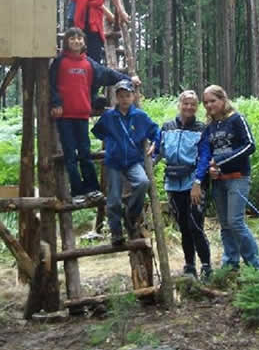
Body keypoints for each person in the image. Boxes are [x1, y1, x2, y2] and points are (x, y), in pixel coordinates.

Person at [50, 27, 141, 206]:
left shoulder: (89, 64)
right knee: (69, 154)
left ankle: (92, 189)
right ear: (66, 42)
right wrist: (55, 103)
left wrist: (129, 79)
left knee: (85, 153)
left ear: (84, 42)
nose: (76, 41)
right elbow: (51, 85)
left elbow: (108, 74)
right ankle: (77, 191)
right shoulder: (59, 63)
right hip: (65, 116)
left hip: (82, 115)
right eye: (72, 38)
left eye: (79, 38)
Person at [192, 84, 259, 270]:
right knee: (224, 225)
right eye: (206, 102)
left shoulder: (237, 119)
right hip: (219, 182)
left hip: (238, 178)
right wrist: (210, 170)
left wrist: (220, 161)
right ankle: (231, 262)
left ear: (223, 100)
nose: (209, 105)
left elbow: (250, 146)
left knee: (235, 222)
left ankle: (255, 264)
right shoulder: (210, 127)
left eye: (213, 101)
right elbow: (208, 155)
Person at [92, 79, 159, 246]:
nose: (124, 99)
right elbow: (98, 131)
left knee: (143, 182)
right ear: (116, 97)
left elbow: (155, 131)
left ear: (133, 96)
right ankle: (116, 233)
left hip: (133, 161)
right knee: (113, 200)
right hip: (114, 162)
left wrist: (155, 143)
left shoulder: (140, 116)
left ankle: (130, 214)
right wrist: (111, 141)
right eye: (121, 96)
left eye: (127, 96)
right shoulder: (109, 116)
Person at [155, 90, 212, 280]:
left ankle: (206, 265)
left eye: (193, 104)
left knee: (195, 225)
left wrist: (198, 182)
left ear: (197, 107)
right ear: (179, 104)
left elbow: (205, 157)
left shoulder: (201, 129)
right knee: (183, 227)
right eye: (185, 103)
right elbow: (156, 152)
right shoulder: (167, 127)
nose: (189, 107)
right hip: (172, 184)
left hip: (194, 183)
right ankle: (189, 266)